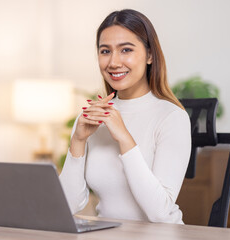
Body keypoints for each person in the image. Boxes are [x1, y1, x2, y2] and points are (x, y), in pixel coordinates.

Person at [59, 9, 191, 224]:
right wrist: (78, 140)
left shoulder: (172, 118)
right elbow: (67, 206)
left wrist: (124, 138)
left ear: (149, 55)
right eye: (105, 51)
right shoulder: (92, 117)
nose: (113, 62)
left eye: (126, 50)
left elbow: (161, 214)